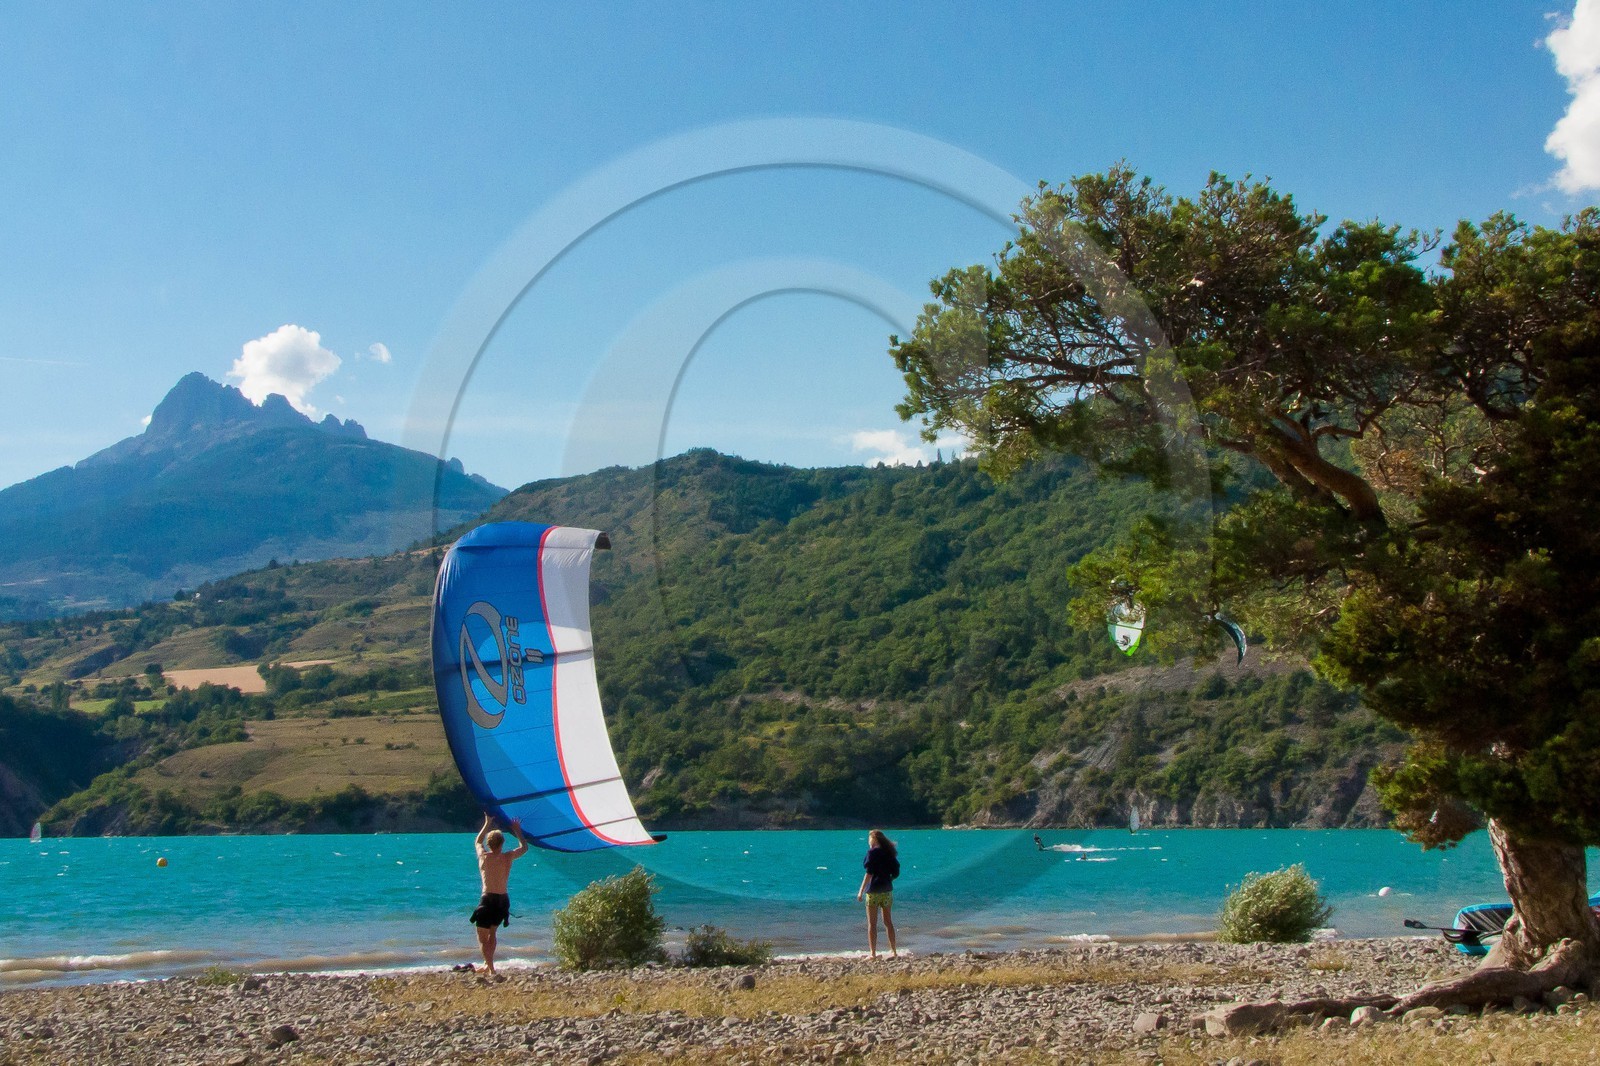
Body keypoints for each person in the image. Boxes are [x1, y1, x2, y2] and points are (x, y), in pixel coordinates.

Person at [469, 813, 528, 976]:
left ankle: (491, 968)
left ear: (490, 844)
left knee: (482, 937)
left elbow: (477, 841)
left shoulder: (484, 857)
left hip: (488, 899)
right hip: (502, 899)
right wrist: (517, 830)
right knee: (493, 933)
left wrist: (487, 823)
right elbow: (524, 848)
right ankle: (488, 966)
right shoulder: (507, 857)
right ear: (502, 843)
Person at [855, 828, 899, 958]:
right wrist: (888, 879)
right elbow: (896, 872)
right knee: (888, 922)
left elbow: (869, 874)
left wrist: (860, 891)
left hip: (873, 891)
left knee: (872, 924)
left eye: (869, 839)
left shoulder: (872, 854)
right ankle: (894, 951)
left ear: (873, 839)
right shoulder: (889, 853)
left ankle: (873, 953)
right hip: (887, 891)